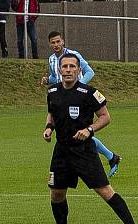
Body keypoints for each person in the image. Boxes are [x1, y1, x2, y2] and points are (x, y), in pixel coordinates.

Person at [42, 53, 138, 224]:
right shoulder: (53, 91)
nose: (69, 70)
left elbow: (105, 117)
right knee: (56, 193)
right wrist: (48, 128)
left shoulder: (89, 93)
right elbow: (52, 114)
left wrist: (89, 130)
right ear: (60, 70)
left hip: (84, 151)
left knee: (105, 191)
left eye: (73, 66)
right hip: (61, 151)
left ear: (79, 70)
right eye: (65, 67)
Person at [42, 31, 121, 178]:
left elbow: (89, 72)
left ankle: (110, 158)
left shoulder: (73, 55)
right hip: (62, 100)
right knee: (75, 133)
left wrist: (77, 89)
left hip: (79, 100)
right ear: (49, 44)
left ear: (63, 41)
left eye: (58, 42)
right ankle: (112, 157)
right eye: (53, 43)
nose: (56, 45)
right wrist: (48, 80)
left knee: (77, 132)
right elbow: (55, 77)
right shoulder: (52, 59)